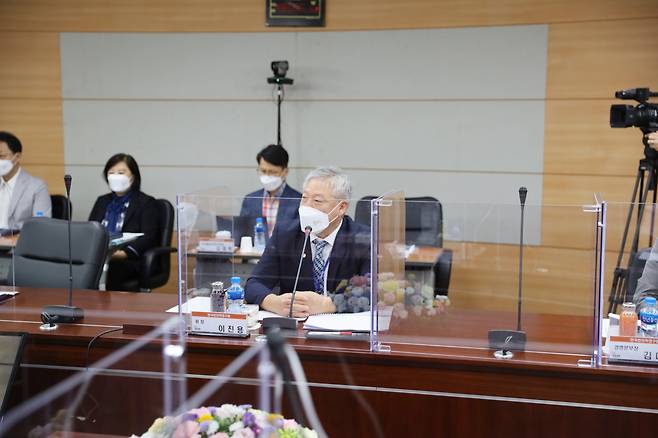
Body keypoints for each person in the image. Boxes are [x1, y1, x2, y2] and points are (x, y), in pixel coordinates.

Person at [245, 166, 370, 317]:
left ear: (341, 207)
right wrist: (273, 302)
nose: (307, 206)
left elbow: (374, 293)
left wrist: (328, 304)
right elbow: (254, 284)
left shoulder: (363, 239)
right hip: (295, 328)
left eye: (317, 200)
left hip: (343, 329)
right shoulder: (285, 233)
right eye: (304, 198)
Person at [89, 153, 159, 291]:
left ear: (133, 176)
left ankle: (108, 309)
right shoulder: (102, 201)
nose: (115, 176)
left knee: (113, 268)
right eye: (111, 172)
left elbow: (149, 237)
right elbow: (90, 230)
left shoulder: (146, 203)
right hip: (100, 256)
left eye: (121, 172)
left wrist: (123, 253)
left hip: (128, 259)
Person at [240, 144, 301, 237]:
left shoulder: (298, 201)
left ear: (285, 172)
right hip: (256, 251)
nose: (267, 176)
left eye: (273, 172)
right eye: (263, 171)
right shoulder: (250, 200)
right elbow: (243, 234)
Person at [0, 131, 51, 230]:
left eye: (1, 156)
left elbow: (41, 226)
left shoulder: (37, 187)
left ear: (17, 157)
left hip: (18, 243)